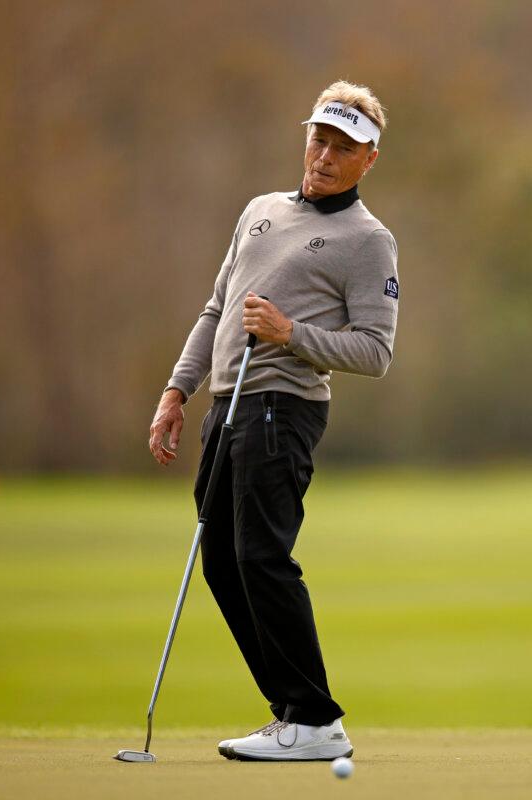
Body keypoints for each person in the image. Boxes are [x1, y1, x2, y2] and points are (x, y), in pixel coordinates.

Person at [146, 80, 398, 761]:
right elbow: (215, 308)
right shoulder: (259, 210)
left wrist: (291, 333)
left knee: (261, 556)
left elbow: (375, 352)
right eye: (319, 138)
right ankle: (293, 712)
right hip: (224, 410)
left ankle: (315, 720)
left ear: (368, 159)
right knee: (224, 563)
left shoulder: (368, 242)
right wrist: (177, 390)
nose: (324, 155)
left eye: (344, 147)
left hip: (282, 410)